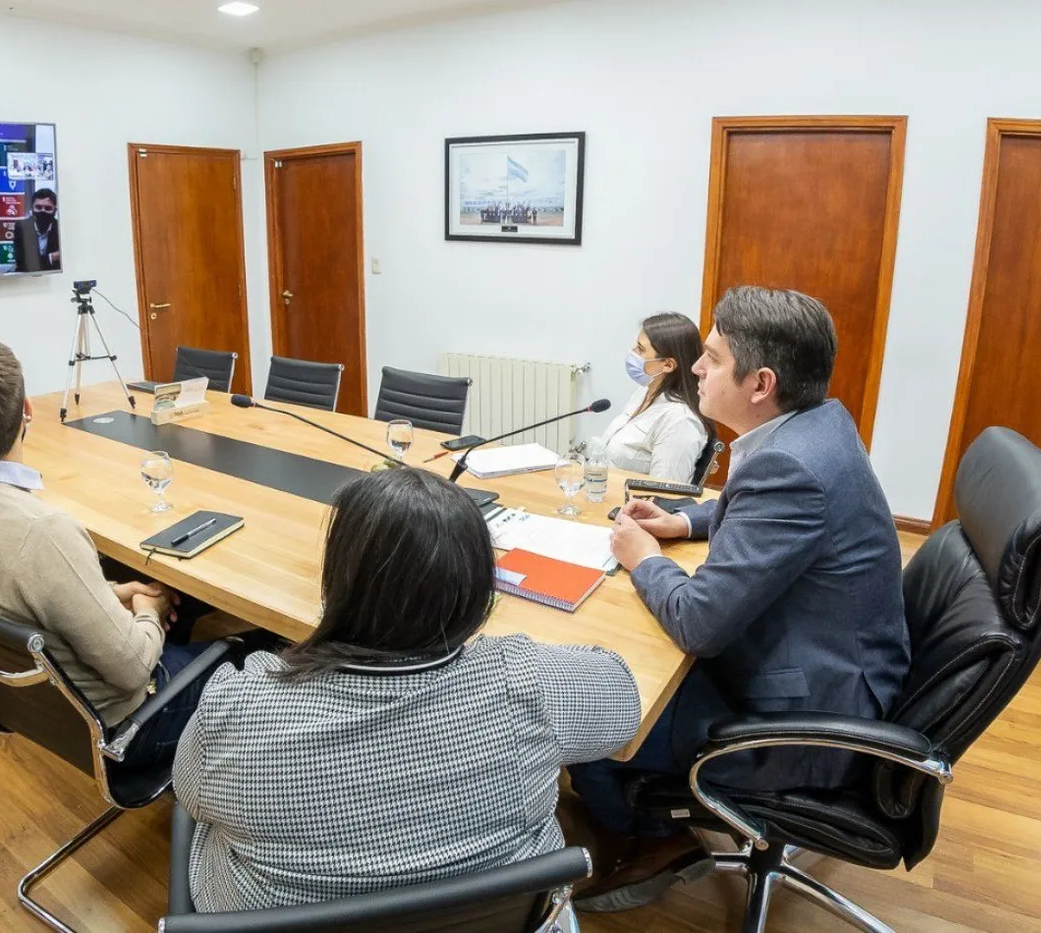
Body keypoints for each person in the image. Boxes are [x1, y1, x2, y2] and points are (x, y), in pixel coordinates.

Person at [566, 286, 910, 913]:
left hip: (801, 727)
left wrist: (644, 558)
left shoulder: (793, 470)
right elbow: (747, 504)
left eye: (714, 358)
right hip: (832, 669)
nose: (695, 365)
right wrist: (683, 524)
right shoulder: (813, 427)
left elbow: (698, 624)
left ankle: (653, 842)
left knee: (588, 711)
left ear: (761, 383)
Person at [173, 467, 642, 913]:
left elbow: (191, 795)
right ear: (478, 591)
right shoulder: (525, 681)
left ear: (336, 583)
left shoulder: (241, 708)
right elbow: (622, 698)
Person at [0, 338, 221, 765]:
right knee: (260, 656)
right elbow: (133, 668)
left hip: (50, 709)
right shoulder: (43, 531)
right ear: (28, 412)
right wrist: (150, 607)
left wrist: (110, 592)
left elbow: (12, 592)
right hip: (127, 726)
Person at [588, 313, 712, 484]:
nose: (632, 353)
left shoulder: (680, 421)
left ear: (668, 365)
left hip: (629, 507)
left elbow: (664, 492)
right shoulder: (644, 391)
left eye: (640, 349)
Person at [12, 187, 61, 272]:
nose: (42, 211)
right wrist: (52, 257)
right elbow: (22, 262)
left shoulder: (60, 228)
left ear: (55, 211)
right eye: (38, 207)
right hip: (26, 277)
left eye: (48, 208)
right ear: (32, 208)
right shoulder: (22, 227)